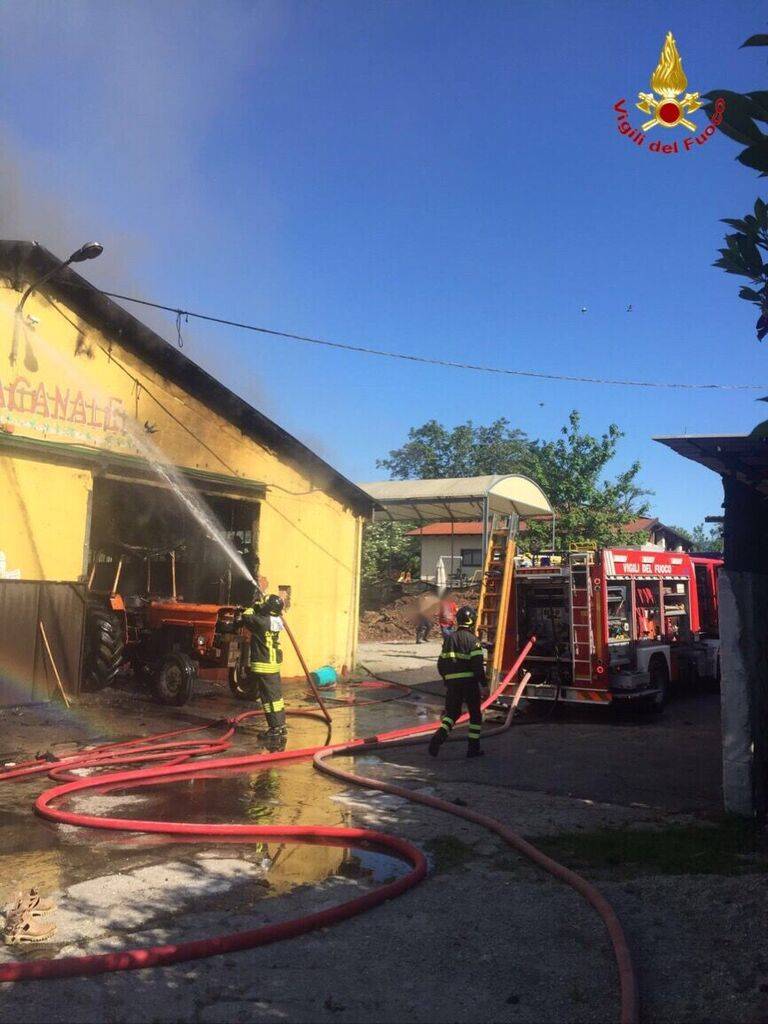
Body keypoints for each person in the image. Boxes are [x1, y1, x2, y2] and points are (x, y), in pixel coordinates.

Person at [429, 605, 488, 759]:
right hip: (469, 684)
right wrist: (484, 685)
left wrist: (446, 680)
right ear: (472, 621)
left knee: (452, 714)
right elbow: (477, 667)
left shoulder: (449, 640)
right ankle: (473, 748)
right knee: (475, 715)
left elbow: (441, 663)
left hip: (453, 684)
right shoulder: (473, 641)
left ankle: (439, 737)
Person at [241, 593, 287, 749]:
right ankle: (280, 726)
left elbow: (246, 616)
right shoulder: (277, 621)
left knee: (269, 699)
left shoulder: (260, 622)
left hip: (263, 664)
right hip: (273, 664)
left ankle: (275, 728)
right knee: (276, 698)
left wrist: (255, 605)